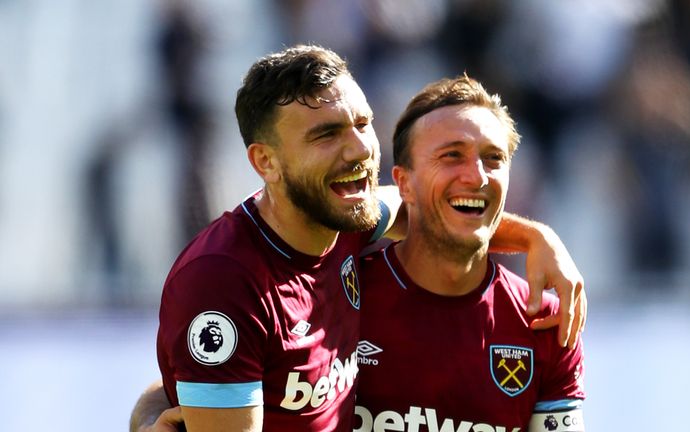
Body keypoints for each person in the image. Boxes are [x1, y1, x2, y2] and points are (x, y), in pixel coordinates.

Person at [130, 45, 585, 432]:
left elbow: (435, 209)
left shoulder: (347, 221)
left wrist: (536, 238)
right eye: (326, 134)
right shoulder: (226, 280)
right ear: (266, 163)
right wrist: (152, 411)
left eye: (362, 124)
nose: (359, 149)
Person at [354, 75, 585, 432]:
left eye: (493, 158)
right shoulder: (343, 294)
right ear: (402, 184)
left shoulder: (543, 322)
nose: (476, 176)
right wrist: (534, 235)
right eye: (452, 155)